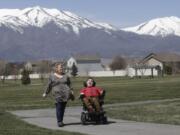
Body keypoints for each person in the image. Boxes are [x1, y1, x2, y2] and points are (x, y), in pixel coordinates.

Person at [42, 63, 74, 127]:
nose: (62, 68)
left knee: (62, 108)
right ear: (56, 68)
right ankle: (59, 121)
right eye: (60, 67)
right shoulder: (52, 76)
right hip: (57, 94)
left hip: (65, 94)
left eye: (62, 67)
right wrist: (45, 92)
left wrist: (71, 91)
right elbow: (49, 85)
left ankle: (61, 120)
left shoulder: (66, 76)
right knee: (59, 106)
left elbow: (69, 84)